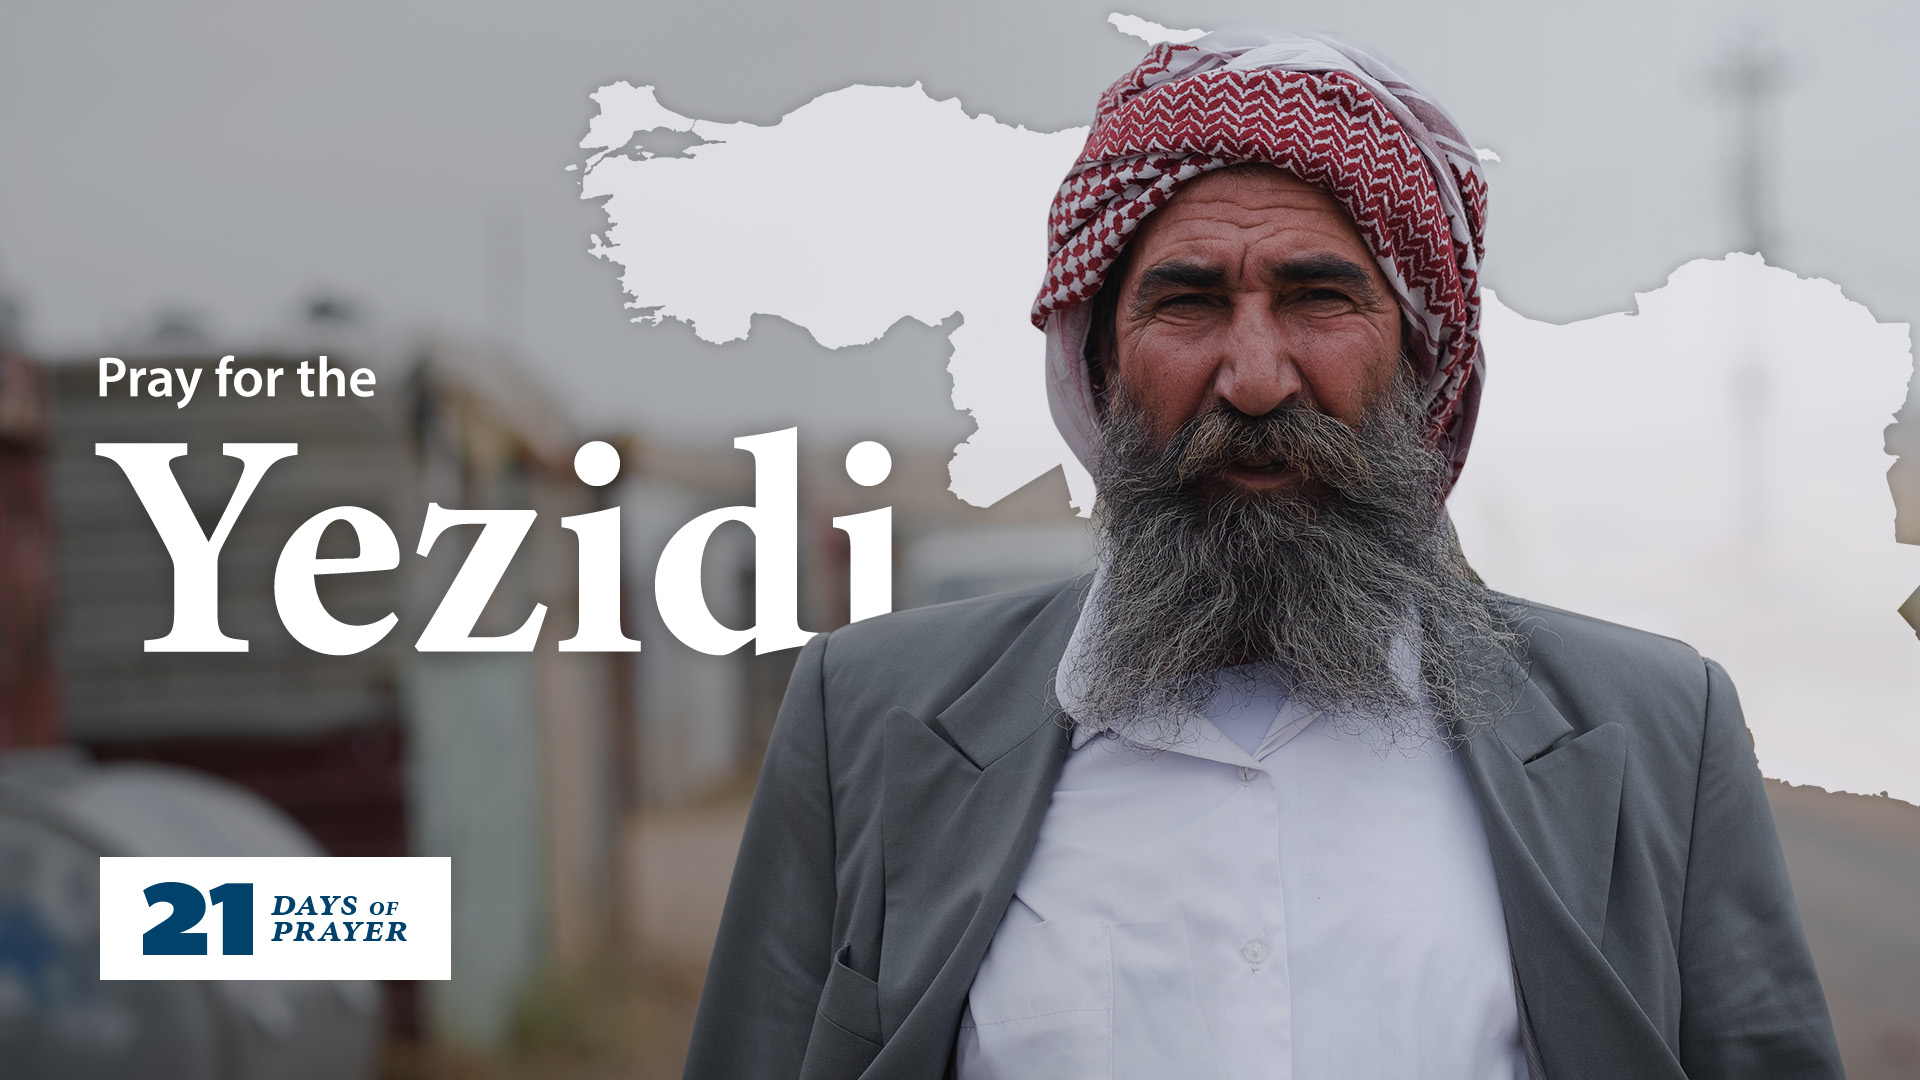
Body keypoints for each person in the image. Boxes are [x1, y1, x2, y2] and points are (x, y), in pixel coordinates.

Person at [683, 30, 1842, 1080]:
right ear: (1099, 365)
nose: (1253, 376)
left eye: (1319, 298)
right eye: (1185, 303)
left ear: (1426, 361)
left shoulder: (1654, 731)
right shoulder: (869, 721)